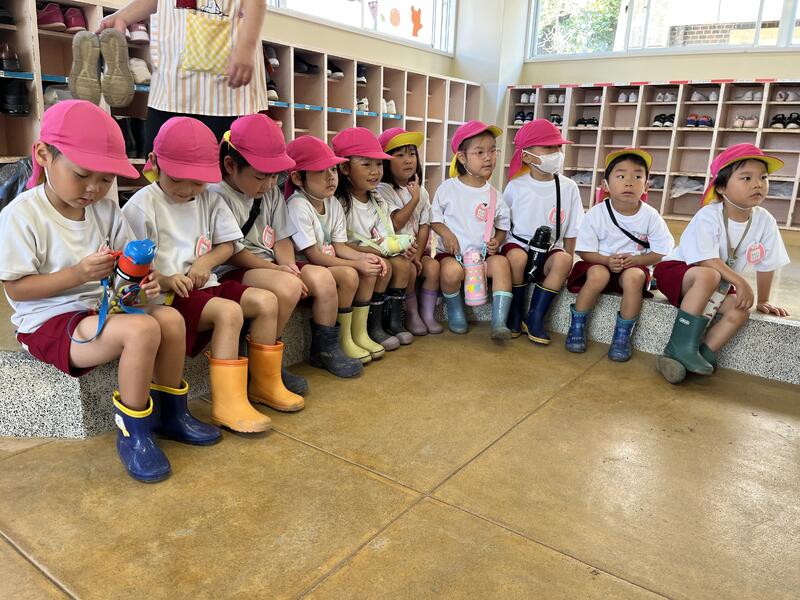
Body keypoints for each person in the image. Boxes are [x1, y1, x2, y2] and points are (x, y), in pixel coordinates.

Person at [0, 100, 220, 484]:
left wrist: (144, 284)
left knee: (170, 318)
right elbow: (17, 289)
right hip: (50, 322)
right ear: (44, 155)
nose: (93, 188)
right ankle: (133, 432)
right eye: (82, 174)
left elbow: (129, 271)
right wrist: (77, 274)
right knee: (143, 329)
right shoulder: (22, 215)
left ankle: (172, 412)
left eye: (105, 180)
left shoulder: (106, 211)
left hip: (102, 308)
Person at [123, 116, 301, 437]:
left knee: (266, 302)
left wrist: (206, 261)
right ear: (155, 163)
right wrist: (165, 279)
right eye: (178, 180)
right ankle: (227, 403)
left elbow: (228, 244)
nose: (188, 190)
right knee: (229, 312)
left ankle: (263, 383)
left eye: (198, 182)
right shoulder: (141, 206)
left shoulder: (209, 198)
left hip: (206, 285)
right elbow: (131, 265)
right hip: (169, 295)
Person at [653, 144, 790, 383]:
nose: (758, 184)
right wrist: (741, 282)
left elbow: (768, 263)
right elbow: (706, 260)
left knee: (740, 309)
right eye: (746, 178)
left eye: (763, 177)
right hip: (678, 274)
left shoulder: (765, 221)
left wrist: (764, 300)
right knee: (709, 275)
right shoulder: (709, 215)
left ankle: (701, 353)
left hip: (719, 285)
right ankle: (678, 346)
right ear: (721, 187)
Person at [212, 113, 312, 392]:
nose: (269, 184)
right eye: (260, 176)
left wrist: (288, 265)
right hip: (231, 268)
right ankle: (260, 369)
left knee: (293, 283)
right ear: (230, 165)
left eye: (275, 176)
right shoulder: (216, 194)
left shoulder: (270, 192)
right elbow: (232, 252)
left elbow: (282, 236)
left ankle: (266, 363)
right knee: (287, 285)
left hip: (266, 265)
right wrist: (278, 270)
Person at [98, 0, 269, 152]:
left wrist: (247, 46)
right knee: (158, 163)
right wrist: (123, 17)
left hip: (223, 86)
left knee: (219, 167)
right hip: (170, 78)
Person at [284, 135, 386, 366]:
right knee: (350, 274)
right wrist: (356, 264)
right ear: (298, 178)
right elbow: (313, 255)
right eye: (321, 171)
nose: (331, 177)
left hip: (326, 261)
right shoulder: (298, 205)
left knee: (369, 269)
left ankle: (357, 334)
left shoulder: (332, 203)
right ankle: (336, 343)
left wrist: (365, 257)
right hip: (305, 265)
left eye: (332, 169)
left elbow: (340, 246)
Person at [566, 148, 674, 361]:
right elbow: (584, 251)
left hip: (633, 267)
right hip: (599, 263)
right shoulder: (596, 213)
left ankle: (622, 336)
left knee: (635, 277)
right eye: (621, 176)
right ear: (605, 185)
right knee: (598, 274)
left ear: (646, 185)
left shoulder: (651, 216)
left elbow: (661, 251)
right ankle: (577, 325)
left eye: (637, 177)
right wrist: (606, 260)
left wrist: (638, 260)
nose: (629, 182)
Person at [333, 127, 415, 349]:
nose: (375, 171)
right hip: (351, 255)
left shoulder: (376, 198)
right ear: (345, 168)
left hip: (375, 251)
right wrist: (375, 252)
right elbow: (339, 244)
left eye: (378, 164)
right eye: (366, 164)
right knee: (381, 265)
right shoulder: (340, 202)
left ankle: (390, 322)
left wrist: (399, 246)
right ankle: (369, 327)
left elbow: (386, 233)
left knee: (403, 265)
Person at [501, 119, 583, 343]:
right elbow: (503, 224)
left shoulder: (568, 187)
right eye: (548, 147)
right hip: (518, 245)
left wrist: (569, 259)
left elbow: (572, 229)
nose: (556, 152)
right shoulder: (516, 186)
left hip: (550, 249)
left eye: (558, 147)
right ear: (527, 157)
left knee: (564, 260)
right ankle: (515, 312)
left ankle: (535, 317)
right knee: (517, 258)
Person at [430, 120, 513, 339]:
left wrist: (497, 240)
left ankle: (499, 322)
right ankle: (456, 312)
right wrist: (447, 234)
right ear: (462, 157)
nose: (488, 157)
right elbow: (434, 219)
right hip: (452, 257)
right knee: (450, 272)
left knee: (502, 264)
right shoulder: (448, 188)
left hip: (483, 258)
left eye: (493, 151)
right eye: (480, 152)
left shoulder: (495, 195)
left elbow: (503, 226)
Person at [377, 127, 442, 336]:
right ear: (386, 161)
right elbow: (395, 223)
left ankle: (427, 314)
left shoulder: (420, 190)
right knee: (410, 270)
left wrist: (418, 255)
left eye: (412, 154)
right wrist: (413, 199)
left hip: (415, 251)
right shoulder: (382, 190)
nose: (408, 160)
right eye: (400, 155)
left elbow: (424, 225)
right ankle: (411, 314)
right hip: (394, 251)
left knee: (432, 267)